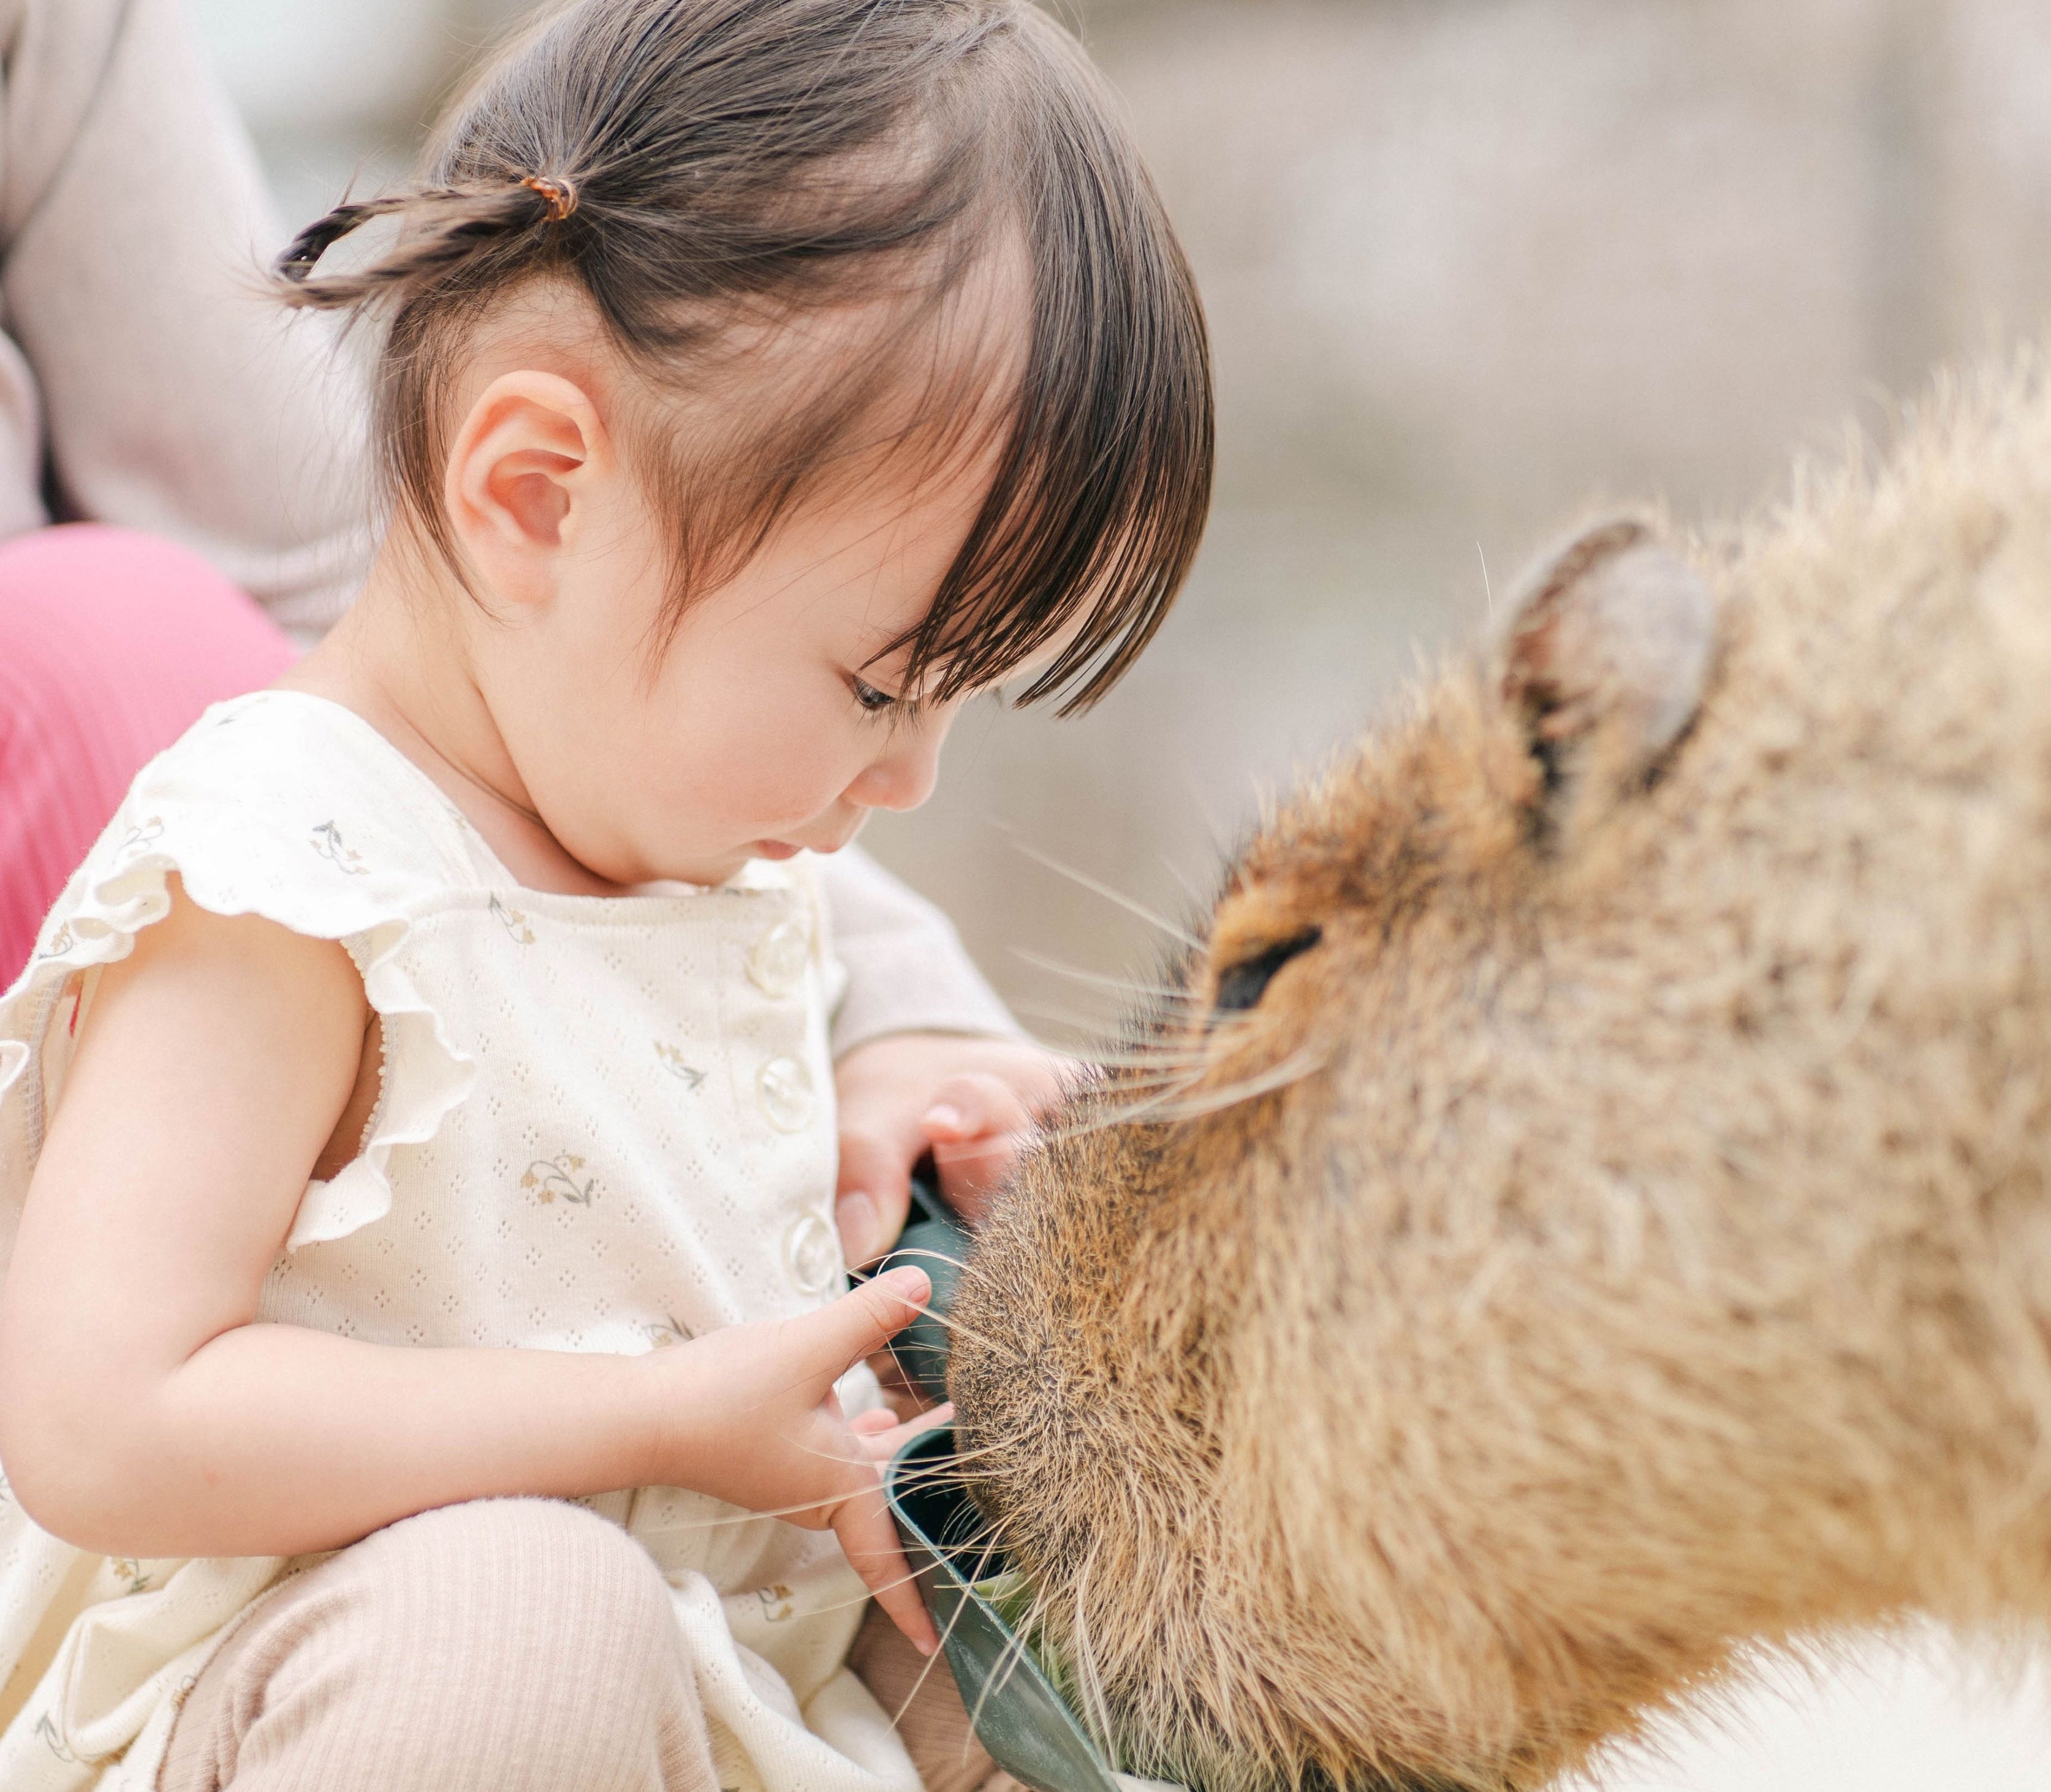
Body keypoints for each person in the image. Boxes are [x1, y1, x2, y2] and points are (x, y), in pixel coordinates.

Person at [0, 1, 1213, 1788]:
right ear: (538, 495)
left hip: (716, 1671)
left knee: (1075, 1634)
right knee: (524, 1624)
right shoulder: (283, 869)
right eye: (884, 685)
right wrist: (654, 1421)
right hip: (341, 1694)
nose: (909, 777)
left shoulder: (677, 837)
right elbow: (106, 1417)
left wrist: (887, 1068)